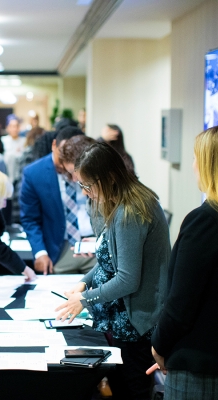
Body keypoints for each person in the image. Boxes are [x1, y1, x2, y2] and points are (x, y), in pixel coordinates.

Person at [55, 142, 170, 400]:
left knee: (132, 392)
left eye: (87, 185)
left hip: (137, 324)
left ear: (108, 178)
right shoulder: (120, 202)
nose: (85, 193)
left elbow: (127, 279)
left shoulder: (130, 211)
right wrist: (85, 283)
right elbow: (110, 261)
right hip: (125, 320)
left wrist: (85, 299)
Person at [151, 126, 218, 399]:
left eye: (195, 158)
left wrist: (158, 346)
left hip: (198, 369)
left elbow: (181, 304)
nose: (192, 166)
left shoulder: (205, 221)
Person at [20, 127, 95, 275]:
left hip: (94, 245)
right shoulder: (34, 173)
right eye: (63, 153)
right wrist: (40, 252)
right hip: (60, 249)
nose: (64, 161)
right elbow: (30, 219)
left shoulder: (90, 168)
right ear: (54, 145)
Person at [1, 114, 26, 184]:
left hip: (20, 178)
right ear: (7, 128)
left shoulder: (24, 141)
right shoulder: (3, 141)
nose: (14, 129)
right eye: (12, 126)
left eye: (16, 126)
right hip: (6, 177)